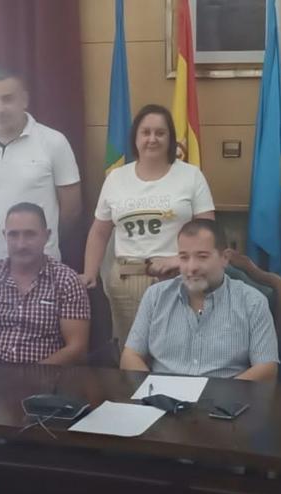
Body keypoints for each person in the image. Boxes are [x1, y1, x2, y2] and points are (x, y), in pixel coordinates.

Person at [81, 104, 215, 344]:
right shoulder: (116, 178)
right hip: (125, 281)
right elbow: (99, 232)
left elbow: (207, 230)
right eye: (146, 132)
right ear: (135, 138)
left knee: (179, 349)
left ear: (171, 138)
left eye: (160, 133)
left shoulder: (191, 175)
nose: (152, 139)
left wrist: (179, 260)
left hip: (179, 277)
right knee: (132, 352)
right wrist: (90, 272)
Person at [0, 67, 82, 281]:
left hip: (41, 265)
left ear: (24, 100)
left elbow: (71, 210)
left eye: (7, 99)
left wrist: (37, 240)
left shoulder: (54, 142)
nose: (0, 109)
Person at [120, 219, 279, 381]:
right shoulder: (155, 296)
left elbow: (266, 368)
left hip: (224, 401)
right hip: (162, 400)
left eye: (202, 257)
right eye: (184, 257)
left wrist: (219, 396)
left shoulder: (252, 302)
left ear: (224, 258)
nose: (191, 267)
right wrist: (153, 393)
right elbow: (130, 356)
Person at [0, 203, 90, 365]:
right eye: (13, 235)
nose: (21, 244)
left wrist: (30, 377)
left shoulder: (66, 281)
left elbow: (77, 348)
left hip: (45, 382)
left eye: (30, 235)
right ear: (4, 236)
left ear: (47, 236)